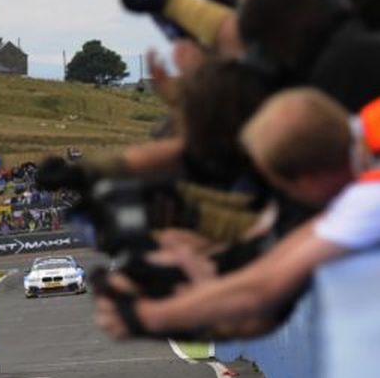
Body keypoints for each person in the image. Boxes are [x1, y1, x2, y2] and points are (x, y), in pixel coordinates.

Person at [95, 89, 380, 340]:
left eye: (286, 189)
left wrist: (147, 316)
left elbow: (266, 285)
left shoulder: (368, 198)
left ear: (307, 180)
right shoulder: (357, 126)